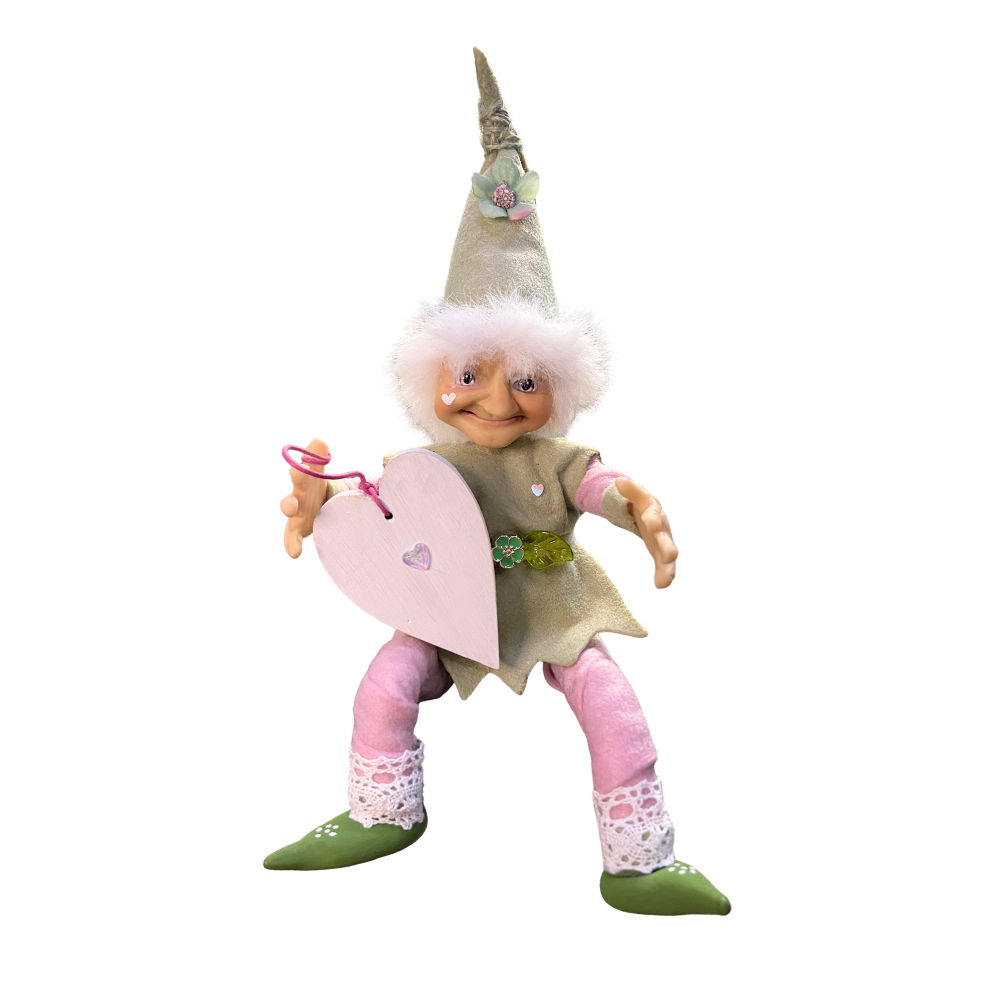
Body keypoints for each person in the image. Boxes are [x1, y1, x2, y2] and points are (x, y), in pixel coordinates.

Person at [263, 49, 730, 917]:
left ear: (563, 385)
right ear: (431, 377)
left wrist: (638, 509)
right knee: (387, 680)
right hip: (447, 603)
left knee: (610, 703)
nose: (499, 401)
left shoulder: (553, 458)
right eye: (471, 374)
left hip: (553, 601)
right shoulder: (428, 467)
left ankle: (640, 858)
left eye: (527, 379)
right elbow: (383, 509)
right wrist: (322, 508)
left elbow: (598, 485)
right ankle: (381, 809)